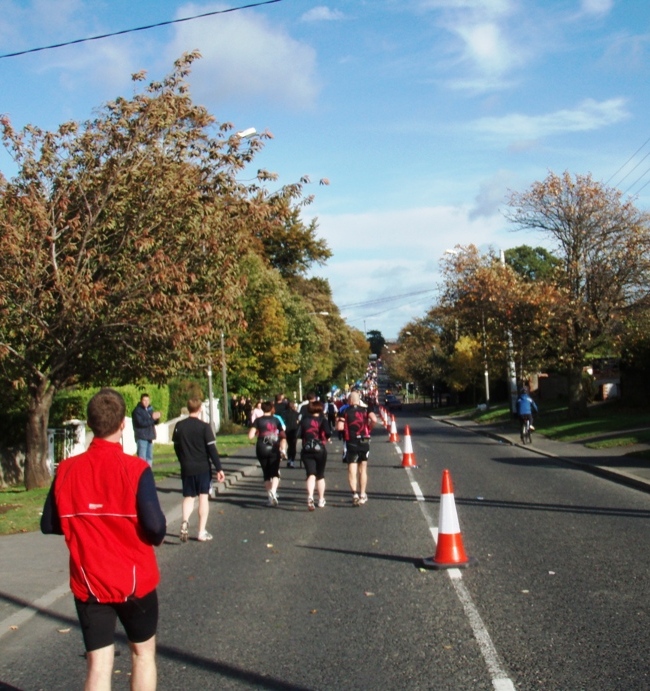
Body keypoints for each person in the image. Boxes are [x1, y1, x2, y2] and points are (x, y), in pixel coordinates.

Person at [41, 388, 166, 691]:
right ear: (124, 423)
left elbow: (49, 523)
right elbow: (155, 528)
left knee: (98, 664)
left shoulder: (67, 470)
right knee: (143, 655)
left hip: (89, 581)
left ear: (90, 424)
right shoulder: (135, 469)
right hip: (135, 580)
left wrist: (85, 524)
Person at [172, 397, 226, 542]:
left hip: (187, 466)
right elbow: (211, 449)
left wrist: (182, 459)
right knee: (203, 497)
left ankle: (184, 521)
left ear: (188, 408)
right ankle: (201, 531)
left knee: (189, 496)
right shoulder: (204, 426)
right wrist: (219, 468)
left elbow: (176, 446)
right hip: (202, 467)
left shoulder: (179, 426)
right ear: (200, 408)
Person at [341, 391, 377, 505]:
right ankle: (362, 494)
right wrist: (369, 428)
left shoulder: (344, 411)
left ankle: (354, 494)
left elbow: (340, 426)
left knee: (352, 467)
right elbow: (374, 420)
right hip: (364, 439)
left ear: (350, 401)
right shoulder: (366, 409)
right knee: (363, 468)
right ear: (359, 400)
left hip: (351, 439)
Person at [248, 401, 286, 506]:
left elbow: (250, 436)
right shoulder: (276, 420)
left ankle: (270, 498)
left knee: (266, 473)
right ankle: (273, 491)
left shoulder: (258, 420)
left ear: (262, 409)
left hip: (262, 447)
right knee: (275, 472)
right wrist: (282, 447)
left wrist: (257, 432)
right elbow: (283, 435)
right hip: (274, 446)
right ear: (272, 408)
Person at [299, 399, 332, 510]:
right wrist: (326, 438)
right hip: (319, 448)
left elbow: (298, 434)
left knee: (310, 474)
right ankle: (321, 499)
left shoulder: (304, 420)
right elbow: (328, 432)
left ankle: (310, 496)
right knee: (320, 475)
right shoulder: (323, 419)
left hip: (307, 448)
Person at [132, 393, 161, 467]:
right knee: (142, 458)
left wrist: (157, 418)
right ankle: (142, 475)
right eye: (144, 400)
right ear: (141, 401)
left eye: (147, 400)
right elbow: (141, 423)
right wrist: (152, 419)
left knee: (149, 457)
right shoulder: (137, 411)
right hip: (142, 437)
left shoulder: (150, 409)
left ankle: (148, 474)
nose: (146, 402)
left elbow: (153, 422)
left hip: (149, 436)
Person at [284, 400, 300, 468]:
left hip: (287, 430)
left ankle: (289, 459)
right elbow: (298, 421)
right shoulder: (296, 413)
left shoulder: (284, 413)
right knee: (293, 446)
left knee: (289, 445)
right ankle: (292, 461)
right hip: (294, 430)